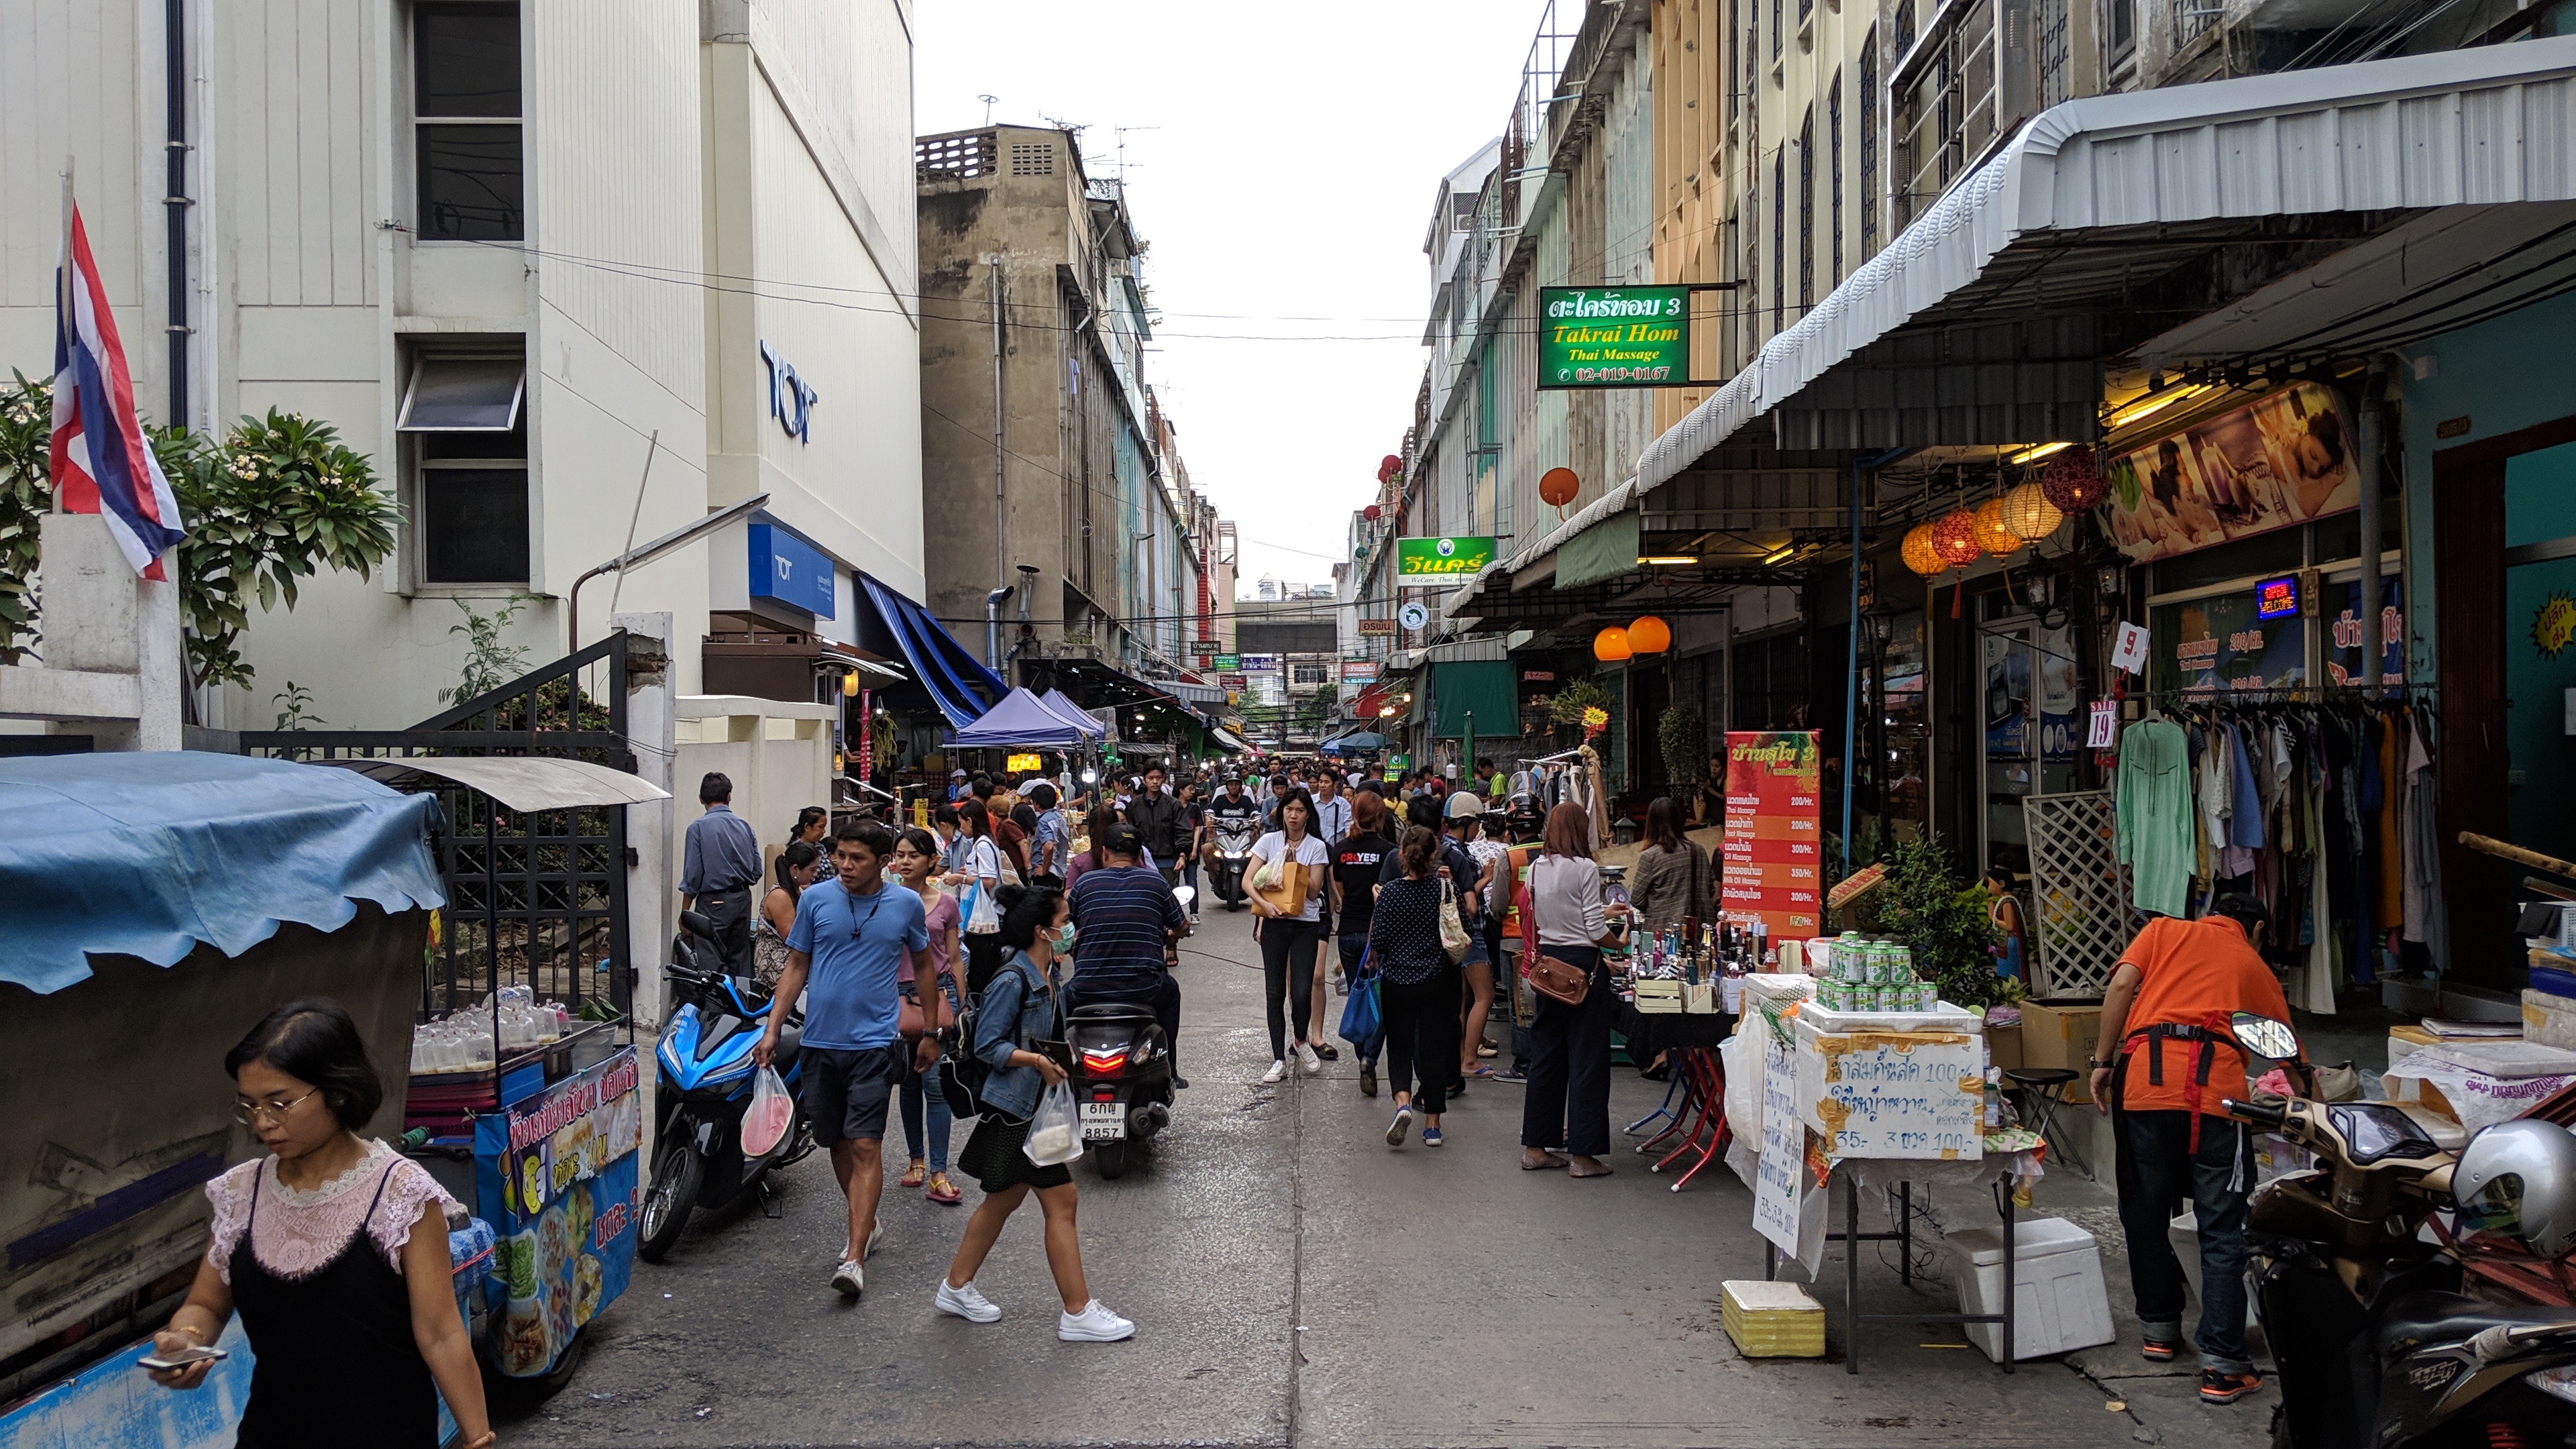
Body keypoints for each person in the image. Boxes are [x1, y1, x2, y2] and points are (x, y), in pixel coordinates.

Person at [150, 998, 493, 1449]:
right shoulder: (242, 1195)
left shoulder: (399, 1193)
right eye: (249, 1106)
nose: (263, 1122)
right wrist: (185, 1340)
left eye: (279, 1104)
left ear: (337, 1092)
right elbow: (208, 1306)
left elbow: (441, 1332)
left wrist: (478, 1438)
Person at [2088, 895, 2297, 1405]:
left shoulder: (2162, 931)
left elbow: (2120, 984)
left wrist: (2101, 1060)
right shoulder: (2251, 961)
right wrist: (2306, 1096)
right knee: (2221, 1229)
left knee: (2145, 1211)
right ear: (2259, 929)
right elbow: (2284, 1045)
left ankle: (2159, 1330)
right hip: (2216, 1100)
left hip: (2143, 1087)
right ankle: (2223, 1365)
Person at [938, 885, 1136, 1342]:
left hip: (1030, 1108)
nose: (1070, 928)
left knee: (1003, 1199)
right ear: (1042, 932)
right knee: (1062, 1200)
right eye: (1064, 920)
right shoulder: (1014, 979)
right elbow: (988, 1044)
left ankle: (956, 1286)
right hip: (1016, 1110)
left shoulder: (1049, 975)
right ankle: (1078, 1311)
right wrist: (1037, 1061)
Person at [758, 820, 932, 1299]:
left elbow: (923, 966)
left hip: (875, 1043)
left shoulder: (905, 904)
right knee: (834, 1140)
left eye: (857, 859)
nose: (845, 866)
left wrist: (933, 1030)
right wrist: (773, 1028)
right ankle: (868, 1223)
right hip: (819, 1042)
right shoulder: (815, 899)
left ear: (883, 863)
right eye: (840, 856)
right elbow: (797, 965)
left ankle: (854, 1255)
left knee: (865, 1146)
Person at [1519, 803, 1626, 1177]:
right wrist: (1618, 944)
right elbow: (1594, 928)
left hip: (1548, 967)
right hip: (1583, 969)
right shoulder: (1585, 869)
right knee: (1587, 1061)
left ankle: (1536, 1147)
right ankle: (1583, 1155)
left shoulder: (1535, 869)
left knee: (1546, 1058)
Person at [1065, 820, 1191, 1088]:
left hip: (1087, 988)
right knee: (1172, 993)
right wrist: (1175, 934)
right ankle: (1169, 1066)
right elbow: (1181, 925)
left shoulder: (1085, 884)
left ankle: (1055, 1070)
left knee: (1055, 1009)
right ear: (1138, 856)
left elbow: (1067, 929)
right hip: (1145, 987)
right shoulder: (1155, 882)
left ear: (1104, 853)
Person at [1367, 824, 1464, 1148]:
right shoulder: (1445, 890)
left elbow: (1378, 941)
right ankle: (1433, 1126)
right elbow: (1460, 930)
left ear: (1401, 856)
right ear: (1434, 855)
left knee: (1400, 1047)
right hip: (1438, 980)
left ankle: (1403, 1104)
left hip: (1398, 981)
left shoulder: (1391, 892)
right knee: (1434, 1051)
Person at [890, 827, 964, 1206]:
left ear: (931, 861)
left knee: (936, 1085)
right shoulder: (884, 901)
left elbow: (952, 958)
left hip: (938, 998)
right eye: (899, 855)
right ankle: (915, 1160)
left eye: (913, 855)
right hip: (896, 1000)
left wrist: (964, 1004)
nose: (905, 862)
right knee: (908, 1084)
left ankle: (938, 1171)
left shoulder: (947, 904)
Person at [1250, 787, 1332, 1082]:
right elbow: (1249, 882)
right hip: (1273, 923)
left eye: (1299, 810)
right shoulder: (1268, 841)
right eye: (1289, 810)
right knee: (1274, 992)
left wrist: (1294, 864)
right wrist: (1264, 906)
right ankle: (1277, 1059)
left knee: (1301, 991)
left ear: (1307, 814)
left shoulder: (1316, 847)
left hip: (1305, 925)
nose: (1293, 816)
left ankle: (1301, 1039)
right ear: (1281, 812)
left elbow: (1313, 892)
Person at [1330, 787, 1399, 1097]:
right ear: (1380, 817)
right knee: (1382, 1001)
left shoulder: (1341, 849)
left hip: (1348, 932)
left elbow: (1340, 890)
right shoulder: (1389, 852)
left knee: (1358, 996)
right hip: (1381, 934)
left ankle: (1362, 1056)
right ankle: (1369, 1056)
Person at [680, 771, 763, 975]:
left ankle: (717, 1007)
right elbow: (756, 871)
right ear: (729, 796)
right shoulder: (744, 826)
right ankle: (740, 1004)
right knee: (740, 959)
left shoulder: (697, 829)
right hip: (742, 899)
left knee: (712, 962)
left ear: (701, 799)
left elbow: (693, 877)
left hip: (713, 903)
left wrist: (685, 914)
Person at [1626, 796, 1714, 935]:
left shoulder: (1651, 856)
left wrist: (1659, 904)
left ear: (1651, 823)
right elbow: (1710, 889)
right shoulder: (1699, 851)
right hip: (1700, 932)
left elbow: (1637, 899)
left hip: (1662, 932)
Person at [946, 798, 1008, 995]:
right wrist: (969, 873)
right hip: (984, 914)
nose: (961, 829)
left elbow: (989, 881)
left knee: (980, 975)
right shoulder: (985, 843)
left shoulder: (982, 845)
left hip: (985, 917)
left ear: (970, 821)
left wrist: (961, 878)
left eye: (962, 824)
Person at [755, 841, 822, 992]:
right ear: (796, 869)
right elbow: (793, 939)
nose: (815, 874)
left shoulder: (796, 891)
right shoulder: (780, 895)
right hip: (778, 966)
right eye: (812, 870)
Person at [1126, 764, 1187, 889]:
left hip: (1168, 862)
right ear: (1144, 780)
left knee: (1169, 896)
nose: (1155, 782)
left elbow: (1182, 831)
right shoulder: (1134, 806)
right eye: (1151, 778)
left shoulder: (1173, 805)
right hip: (1141, 862)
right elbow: (1130, 833)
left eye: (1158, 778)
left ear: (1164, 779)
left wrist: (1182, 855)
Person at [1986, 868, 2029, 982]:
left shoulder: (2006, 903)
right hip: (2006, 941)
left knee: (2009, 972)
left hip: (2010, 941)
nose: (1989, 888)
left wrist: (1993, 917)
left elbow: (2009, 926)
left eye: (1990, 883)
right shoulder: (2004, 901)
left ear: (2001, 884)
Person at [1026, 782, 1071, 887]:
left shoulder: (1044, 821)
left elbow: (1049, 846)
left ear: (1037, 803)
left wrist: (1044, 870)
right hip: (1059, 869)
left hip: (1048, 874)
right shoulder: (1059, 817)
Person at [1175, 778, 1207, 921]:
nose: (1192, 792)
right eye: (1190, 789)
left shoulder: (1194, 808)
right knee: (1173, 883)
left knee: (1191, 882)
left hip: (1191, 850)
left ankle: (1194, 912)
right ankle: (1175, 914)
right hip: (1174, 850)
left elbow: (1198, 829)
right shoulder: (1172, 806)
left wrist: (1194, 849)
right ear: (1181, 790)